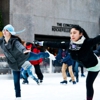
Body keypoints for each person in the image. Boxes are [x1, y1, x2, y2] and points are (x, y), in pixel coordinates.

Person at [37, 25, 100, 100]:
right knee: (94, 53)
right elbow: (56, 44)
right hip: (87, 59)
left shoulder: (87, 42)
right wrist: (42, 43)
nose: (72, 35)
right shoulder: (70, 45)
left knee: (89, 84)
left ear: (81, 34)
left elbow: (97, 39)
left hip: (94, 66)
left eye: (74, 33)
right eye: (71, 33)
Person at [0, 24, 49, 100]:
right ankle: (18, 97)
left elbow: (20, 46)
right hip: (14, 63)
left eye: (7, 30)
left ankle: (47, 54)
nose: (4, 32)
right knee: (16, 81)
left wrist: (24, 50)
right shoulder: (1, 40)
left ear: (10, 32)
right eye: (4, 30)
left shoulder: (14, 41)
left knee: (37, 56)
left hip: (23, 56)